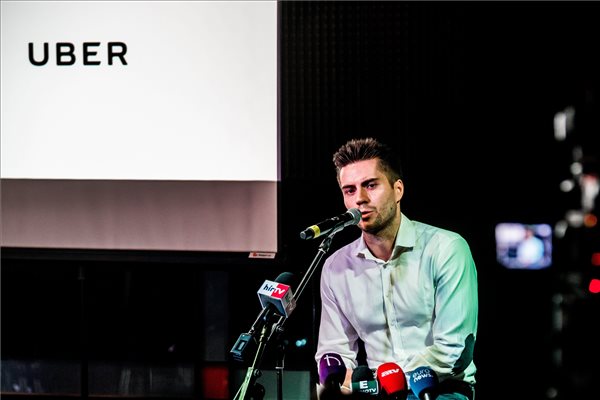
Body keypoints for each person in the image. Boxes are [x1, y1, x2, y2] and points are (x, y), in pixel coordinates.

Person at [314, 137, 478, 400]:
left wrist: (389, 380)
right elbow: (334, 353)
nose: (360, 199)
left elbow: (454, 350)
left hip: (441, 390)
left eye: (370, 185)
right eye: (350, 190)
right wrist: (337, 384)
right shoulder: (336, 267)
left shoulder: (446, 248)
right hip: (376, 393)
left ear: (398, 189)